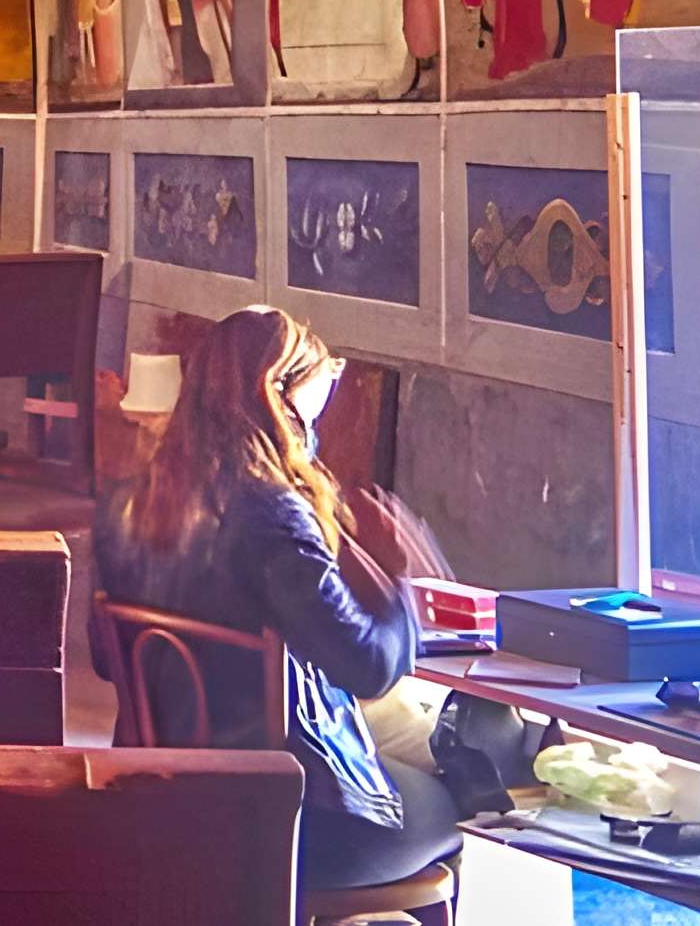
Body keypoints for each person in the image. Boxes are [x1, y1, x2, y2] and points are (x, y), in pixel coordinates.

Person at [94, 307, 461, 892]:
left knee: (398, 747)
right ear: (281, 395)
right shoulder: (269, 512)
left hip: (160, 797)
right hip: (283, 815)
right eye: (321, 386)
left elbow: (104, 658)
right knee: (451, 795)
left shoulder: (127, 500)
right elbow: (366, 667)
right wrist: (400, 588)